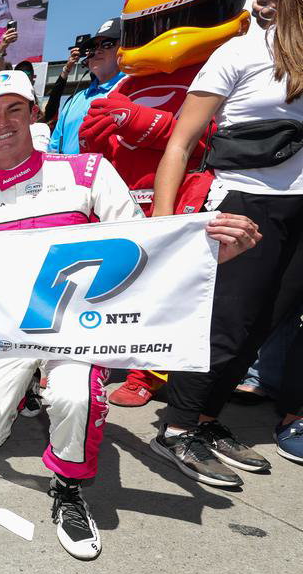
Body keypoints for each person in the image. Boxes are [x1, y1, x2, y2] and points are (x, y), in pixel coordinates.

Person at [0, 71, 260, 559]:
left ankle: (67, 487)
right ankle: (25, 397)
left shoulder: (88, 172)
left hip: (79, 334)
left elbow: (147, 249)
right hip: (9, 337)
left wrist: (209, 255)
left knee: (76, 395)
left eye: (14, 109)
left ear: (35, 114)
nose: (3, 123)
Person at [151, 0, 303, 478]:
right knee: (224, 324)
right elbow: (181, 142)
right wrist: (162, 222)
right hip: (245, 202)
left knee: (264, 326)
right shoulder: (237, 52)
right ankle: (175, 429)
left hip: (301, 211)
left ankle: (206, 419)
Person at [78, 0, 251, 408]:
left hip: (191, 194)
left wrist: (141, 121)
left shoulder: (223, 66)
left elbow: (216, 138)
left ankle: (149, 372)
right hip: (129, 196)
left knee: (177, 284)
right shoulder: (123, 83)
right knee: (121, 281)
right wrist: (96, 137)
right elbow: (98, 136)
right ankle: (115, 354)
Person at [49, 18, 126, 154]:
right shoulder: (73, 101)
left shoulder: (133, 89)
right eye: (93, 48)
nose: (97, 51)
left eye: (107, 44)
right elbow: (53, 149)